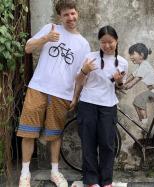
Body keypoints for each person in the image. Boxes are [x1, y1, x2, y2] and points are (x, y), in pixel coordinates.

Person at [16, 1, 90, 187]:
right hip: (38, 88)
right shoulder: (50, 28)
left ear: (77, 13)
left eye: (73, 13)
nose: (70, 18)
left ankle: (55, 172)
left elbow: (81, 76)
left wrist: (75, 96)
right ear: (60, 16)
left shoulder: (83, 44)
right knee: (28, 132)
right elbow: (28, 48)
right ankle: (25, 174)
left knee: (55, 134)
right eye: (66, 15)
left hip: (62, 94)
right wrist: (46, 38)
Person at [71, 25, 128, 187]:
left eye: (111, 42)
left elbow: (120, 86)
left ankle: (106, 181)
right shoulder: (90, 57)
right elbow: (79, 80)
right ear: (99, 42)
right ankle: (91, 181)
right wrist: (84, 70)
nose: (107, 45)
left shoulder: (122, 62)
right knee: (88, 144)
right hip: (87, 104)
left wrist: (118, 81)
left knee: (108, 145)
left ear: (116, 41)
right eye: (103, 42)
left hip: (108, 106)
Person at [123, 43, 154, 125]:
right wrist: (122, 83)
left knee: (139, 99)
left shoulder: (144, 66)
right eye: (130, 54)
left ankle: (145, 124)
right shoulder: (141, 66)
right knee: (136, 102)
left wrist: (125, 86)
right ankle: (143, 123)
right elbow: (132, 76)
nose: (130, 57)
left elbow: (134, 81)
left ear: (141, 55)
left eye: (132, 54)